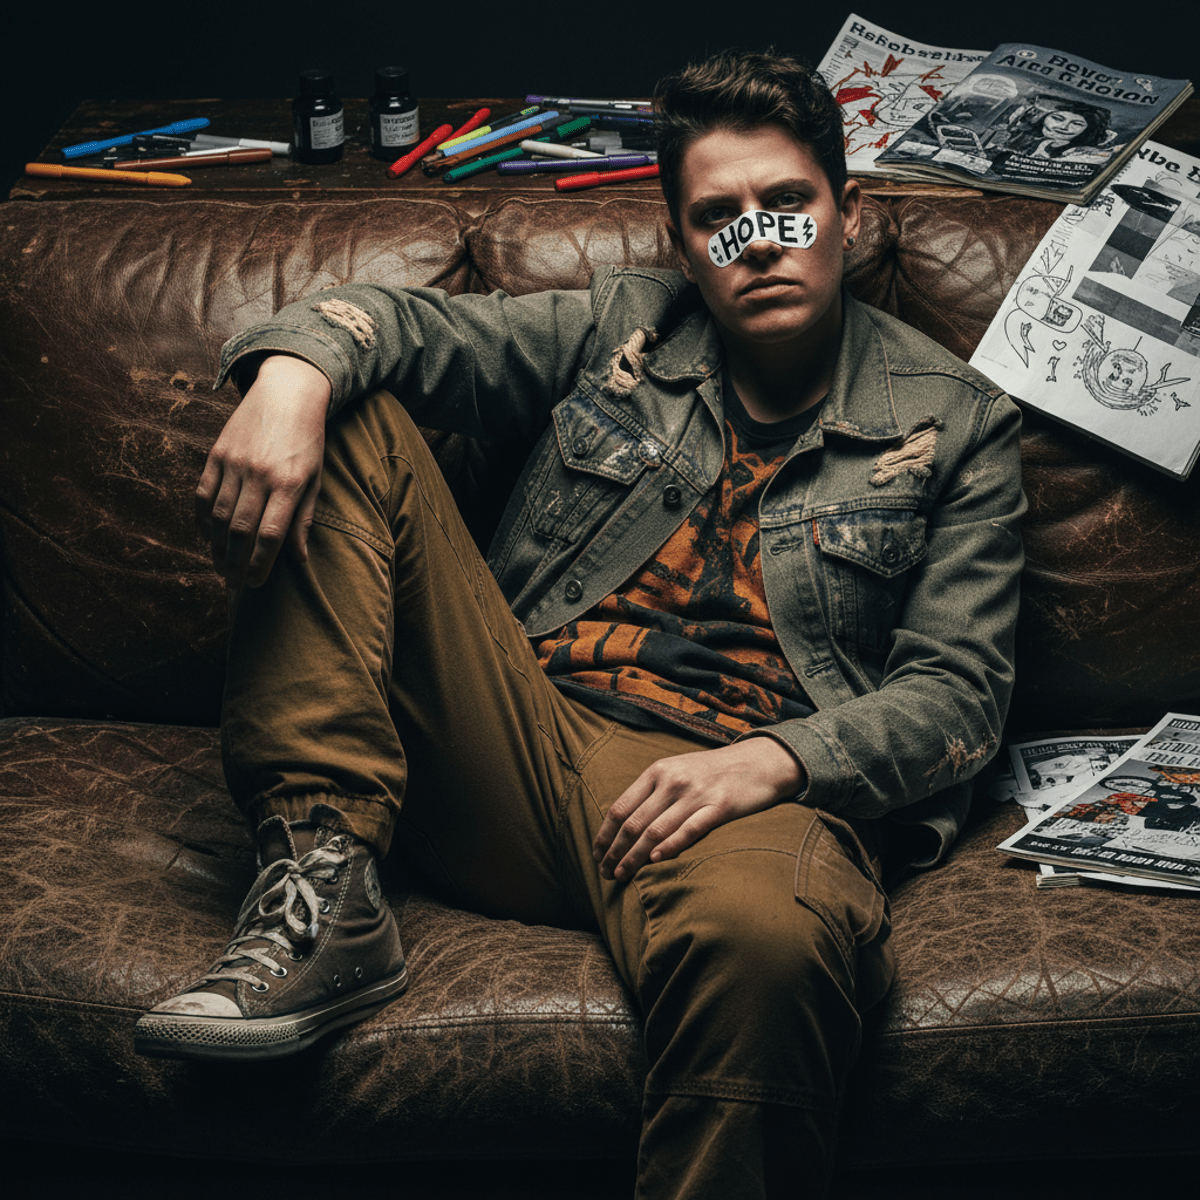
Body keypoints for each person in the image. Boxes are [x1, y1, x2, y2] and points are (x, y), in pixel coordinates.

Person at [134, 47, 1024, 1198]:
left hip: (730, 796)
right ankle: (324, 880)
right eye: (720, 218)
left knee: (774, 946)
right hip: (516, 743)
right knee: (345, 413)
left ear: (848, 215)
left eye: (788, 205)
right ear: (682, 244)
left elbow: (961, 693)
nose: (757, 240)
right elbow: (392, 325)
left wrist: (775, 761)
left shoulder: (959, 425)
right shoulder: (624, 330)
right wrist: (295, 380)